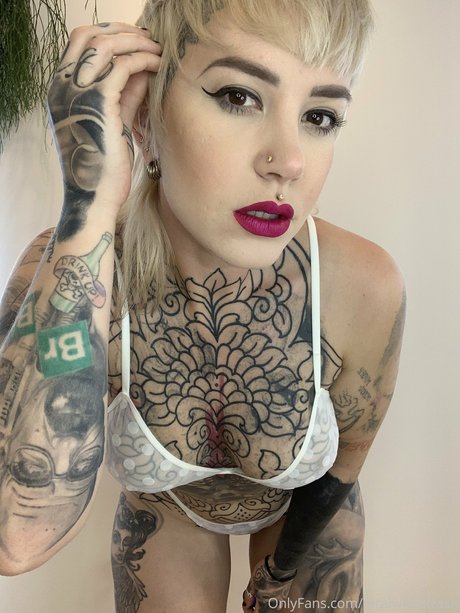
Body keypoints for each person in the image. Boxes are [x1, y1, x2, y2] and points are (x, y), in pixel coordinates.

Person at [0, 0, 406, 611]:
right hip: (168, 516)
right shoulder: (70, 271)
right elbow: (14, 537)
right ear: (146, 113)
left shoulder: (364, 285)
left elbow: (344, 463)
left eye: (320, 115)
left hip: (304, 520)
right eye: (239, 96)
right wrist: (89, 204)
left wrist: (279, 573)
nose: (289, 162)